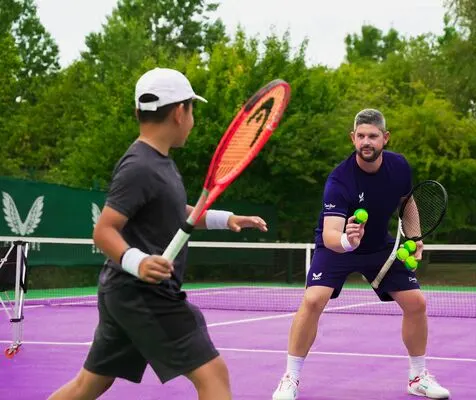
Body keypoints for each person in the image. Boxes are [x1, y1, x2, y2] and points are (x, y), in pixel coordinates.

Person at [48, 67, 268, 400]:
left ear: (139, 112)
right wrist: (138, 262)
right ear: (180, 112)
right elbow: (103, 230)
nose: (193, 119)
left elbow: (177, 213)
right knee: (213, 375)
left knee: (90, 384)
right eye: (192, 110)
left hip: (124, 293)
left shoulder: (159, 162)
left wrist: (227, 219)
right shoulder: (139, 166)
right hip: (142, 294)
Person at [272, 109, 450, 400]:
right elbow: (330, 235)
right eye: (361, 136)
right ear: (353, 138)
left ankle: (417, 377)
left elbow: (408, 204)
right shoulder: (340, 180)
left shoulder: (400, 167)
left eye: (373, 136)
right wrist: (347, 239)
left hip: (380, 248)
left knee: (416, 303)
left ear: (385, 138)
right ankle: (290, 378)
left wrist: (415, 236)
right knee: (313, 299)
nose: (367, 141)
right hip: (337, 248)